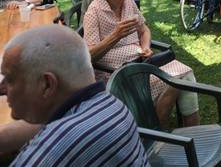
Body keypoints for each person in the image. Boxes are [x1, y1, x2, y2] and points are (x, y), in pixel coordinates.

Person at [0, 24, 149, 166]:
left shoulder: (52, 150)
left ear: (47, 84)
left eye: (10, 79)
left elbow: (59, 141)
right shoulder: (111, 104)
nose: (3, 87)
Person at [83, 0, 199, 127]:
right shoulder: (93, 13)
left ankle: (186, 129)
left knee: (185, 75)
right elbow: (89, 56)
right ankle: (158, 133)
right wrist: (115, 36)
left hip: (143, 64)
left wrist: (145, 46)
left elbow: (144, 30)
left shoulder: (128, 1)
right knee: (176, 81)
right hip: (118, 76)